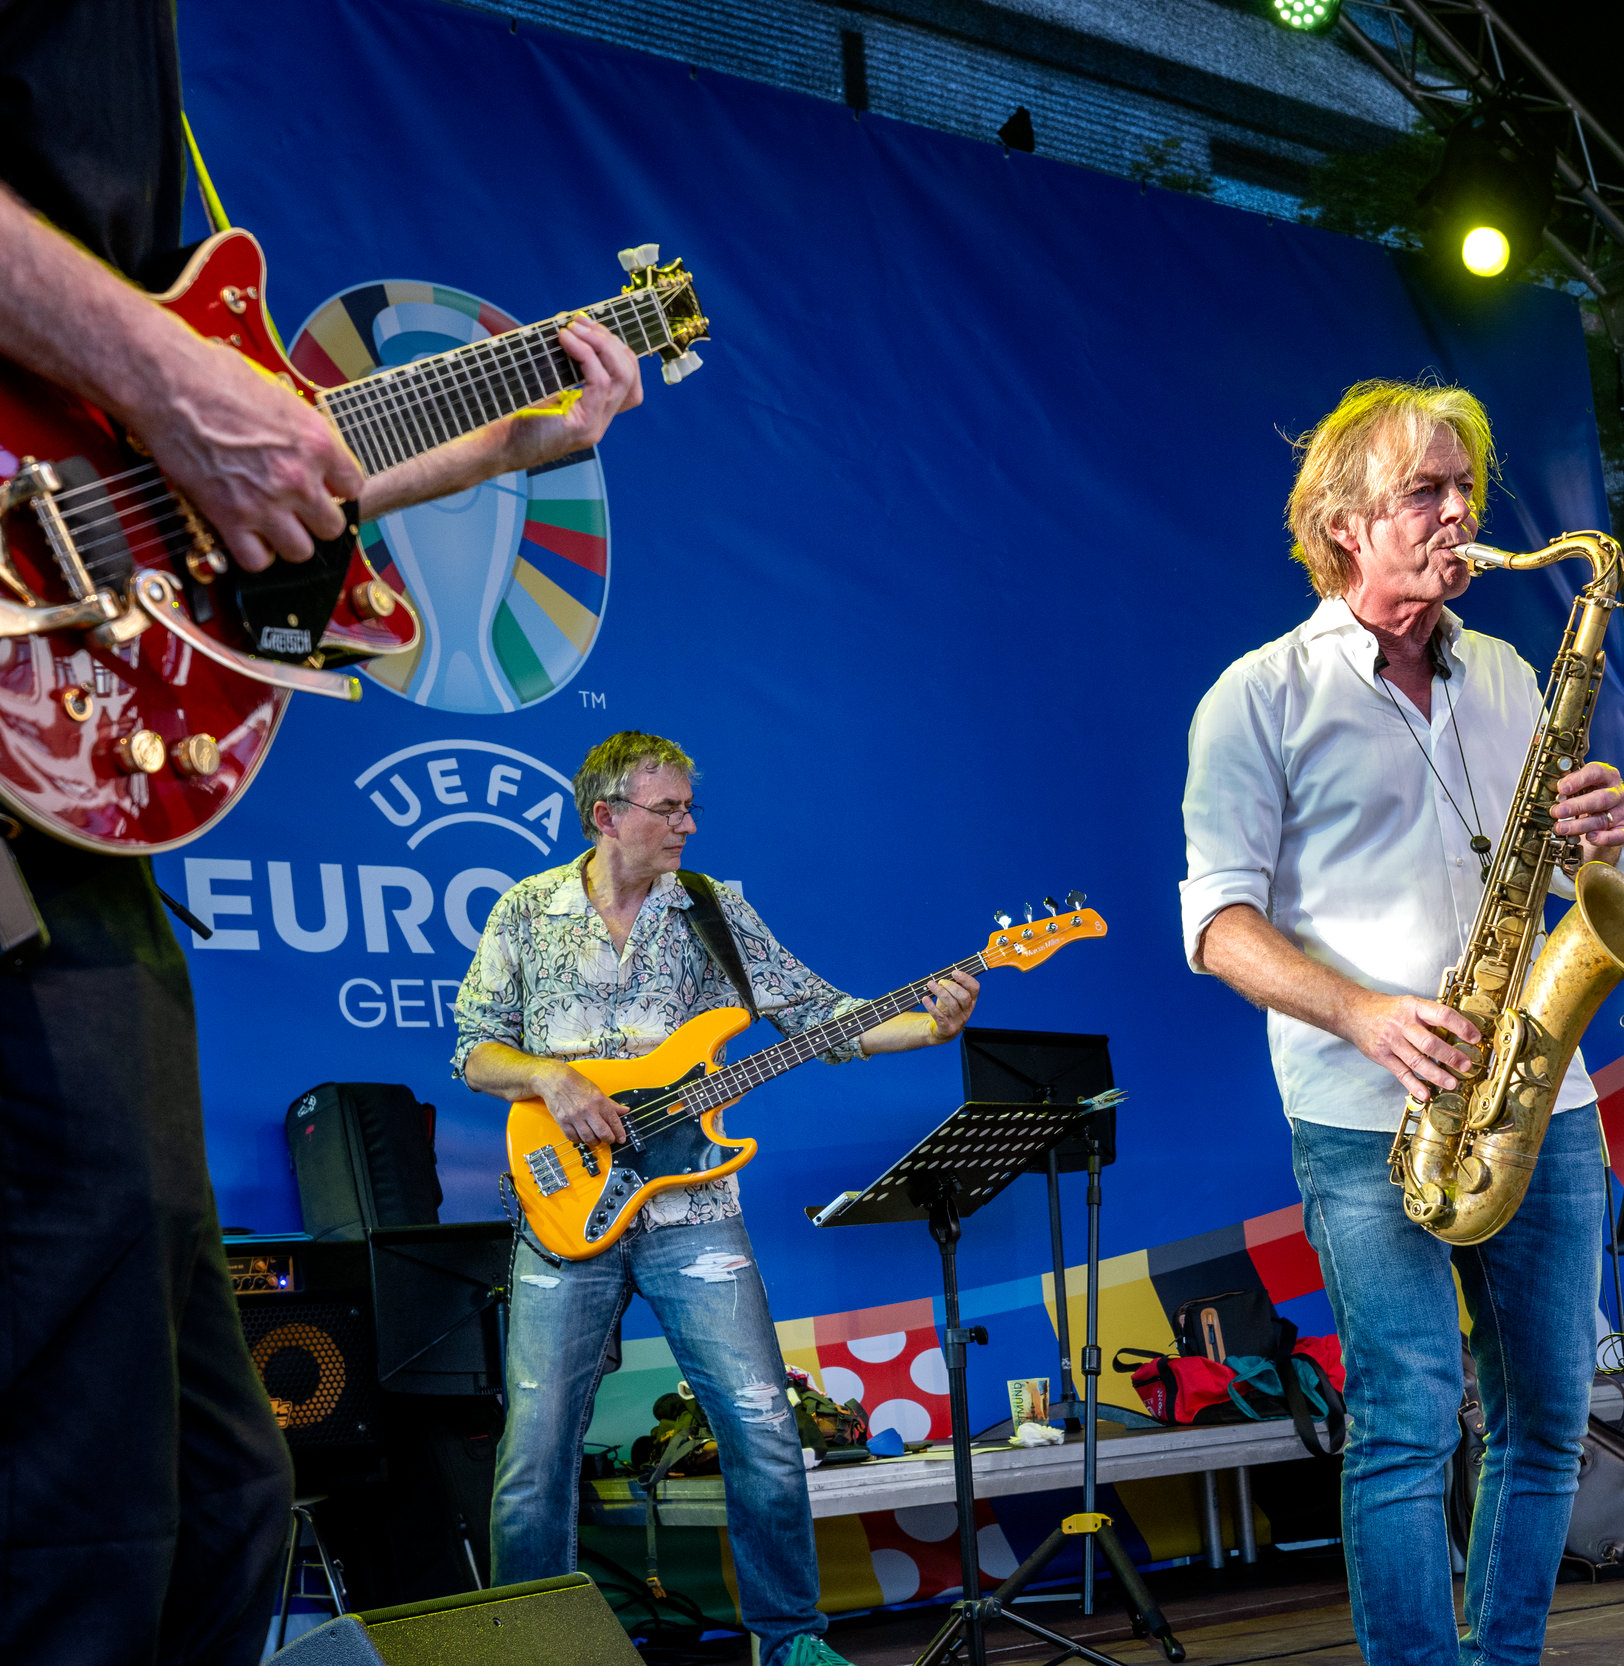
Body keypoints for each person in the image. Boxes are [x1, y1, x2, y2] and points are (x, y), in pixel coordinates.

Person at [0, 8, 645, 1662]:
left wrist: (501, 443)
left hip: (72, 831)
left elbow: (207, 479)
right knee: (77, 1482)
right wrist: (172, 377)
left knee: (209, 1488)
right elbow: (191, 413)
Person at [1180, 380, 1624, 1666]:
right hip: (1365, 1111)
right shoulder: (1257, 696)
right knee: (1408, 1421)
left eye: (1465, 488)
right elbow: (1216, 923)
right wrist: (1365, 1013)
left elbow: (1549, 878)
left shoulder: (1504, 671)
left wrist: (1590, 841)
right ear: (1343, 522)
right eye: (1423, 491)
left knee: (1547, 1422)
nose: (1457, 514)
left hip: (1537, 1098)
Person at [454, 731, 977, 1666]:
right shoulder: (526, 910)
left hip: (693, 1211)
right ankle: (532, 1653)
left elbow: (818, 1018)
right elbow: (473, 1050)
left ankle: (791, 1642)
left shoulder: (711, 908)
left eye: (690, 808)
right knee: (533, 1451)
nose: (687, 825)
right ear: (606, 815)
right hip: (562, 1206)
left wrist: (928, 1031)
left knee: (763, 1425)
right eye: (668, 809)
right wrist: (548, 1078)